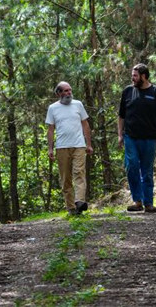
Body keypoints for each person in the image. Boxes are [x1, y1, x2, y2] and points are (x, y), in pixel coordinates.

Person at [117, 63, 156, 213]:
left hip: (150, 138)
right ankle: (137, 201)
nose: (133, 78)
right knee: (132, 166)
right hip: (130, 137)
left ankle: (148, 203)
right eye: (132, 75)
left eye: (135, 76)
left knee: (147, 170)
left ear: (144, 76)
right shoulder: (128, 91)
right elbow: (121, 115)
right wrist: (119, 134)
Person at [46, 81, 94, 216]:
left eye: (70, 90)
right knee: (65, 178)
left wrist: (88, 144)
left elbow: (85, 125)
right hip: (61, 147)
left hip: (79, 145)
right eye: (65, 91)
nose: (68, 93)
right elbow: (50, 130)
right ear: (58, 93)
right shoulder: (53, 108)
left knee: (79, 173)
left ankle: (80, 201)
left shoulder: (78, 105)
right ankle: (71, 208)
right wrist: (50, 149)